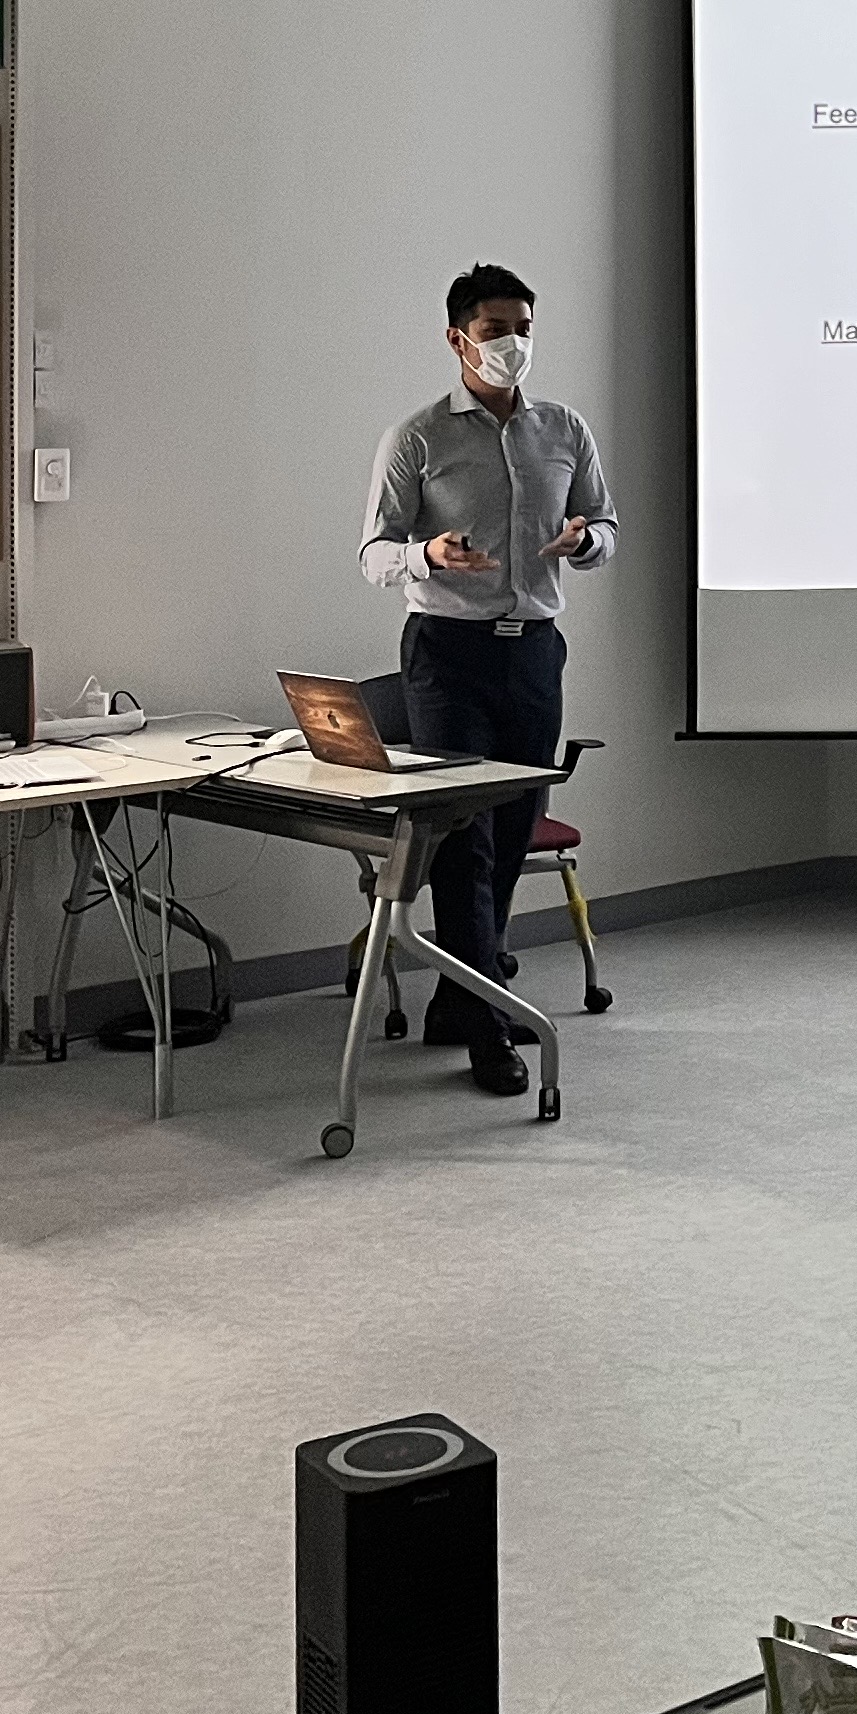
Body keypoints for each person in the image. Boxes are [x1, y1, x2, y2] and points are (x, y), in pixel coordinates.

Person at [357, 263, 616, 1095]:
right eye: (497, 330)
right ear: (457, 338)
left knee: (511, 831)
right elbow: (373, 552)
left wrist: (584, 541)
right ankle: (488, 1030)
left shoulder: (563, 428)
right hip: (448, 653)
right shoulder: (418, 436)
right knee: (461, 839)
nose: (513, 344)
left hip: (533, 651)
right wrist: (426, 554)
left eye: (524, 330)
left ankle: (460, 999)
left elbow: (606, 525)